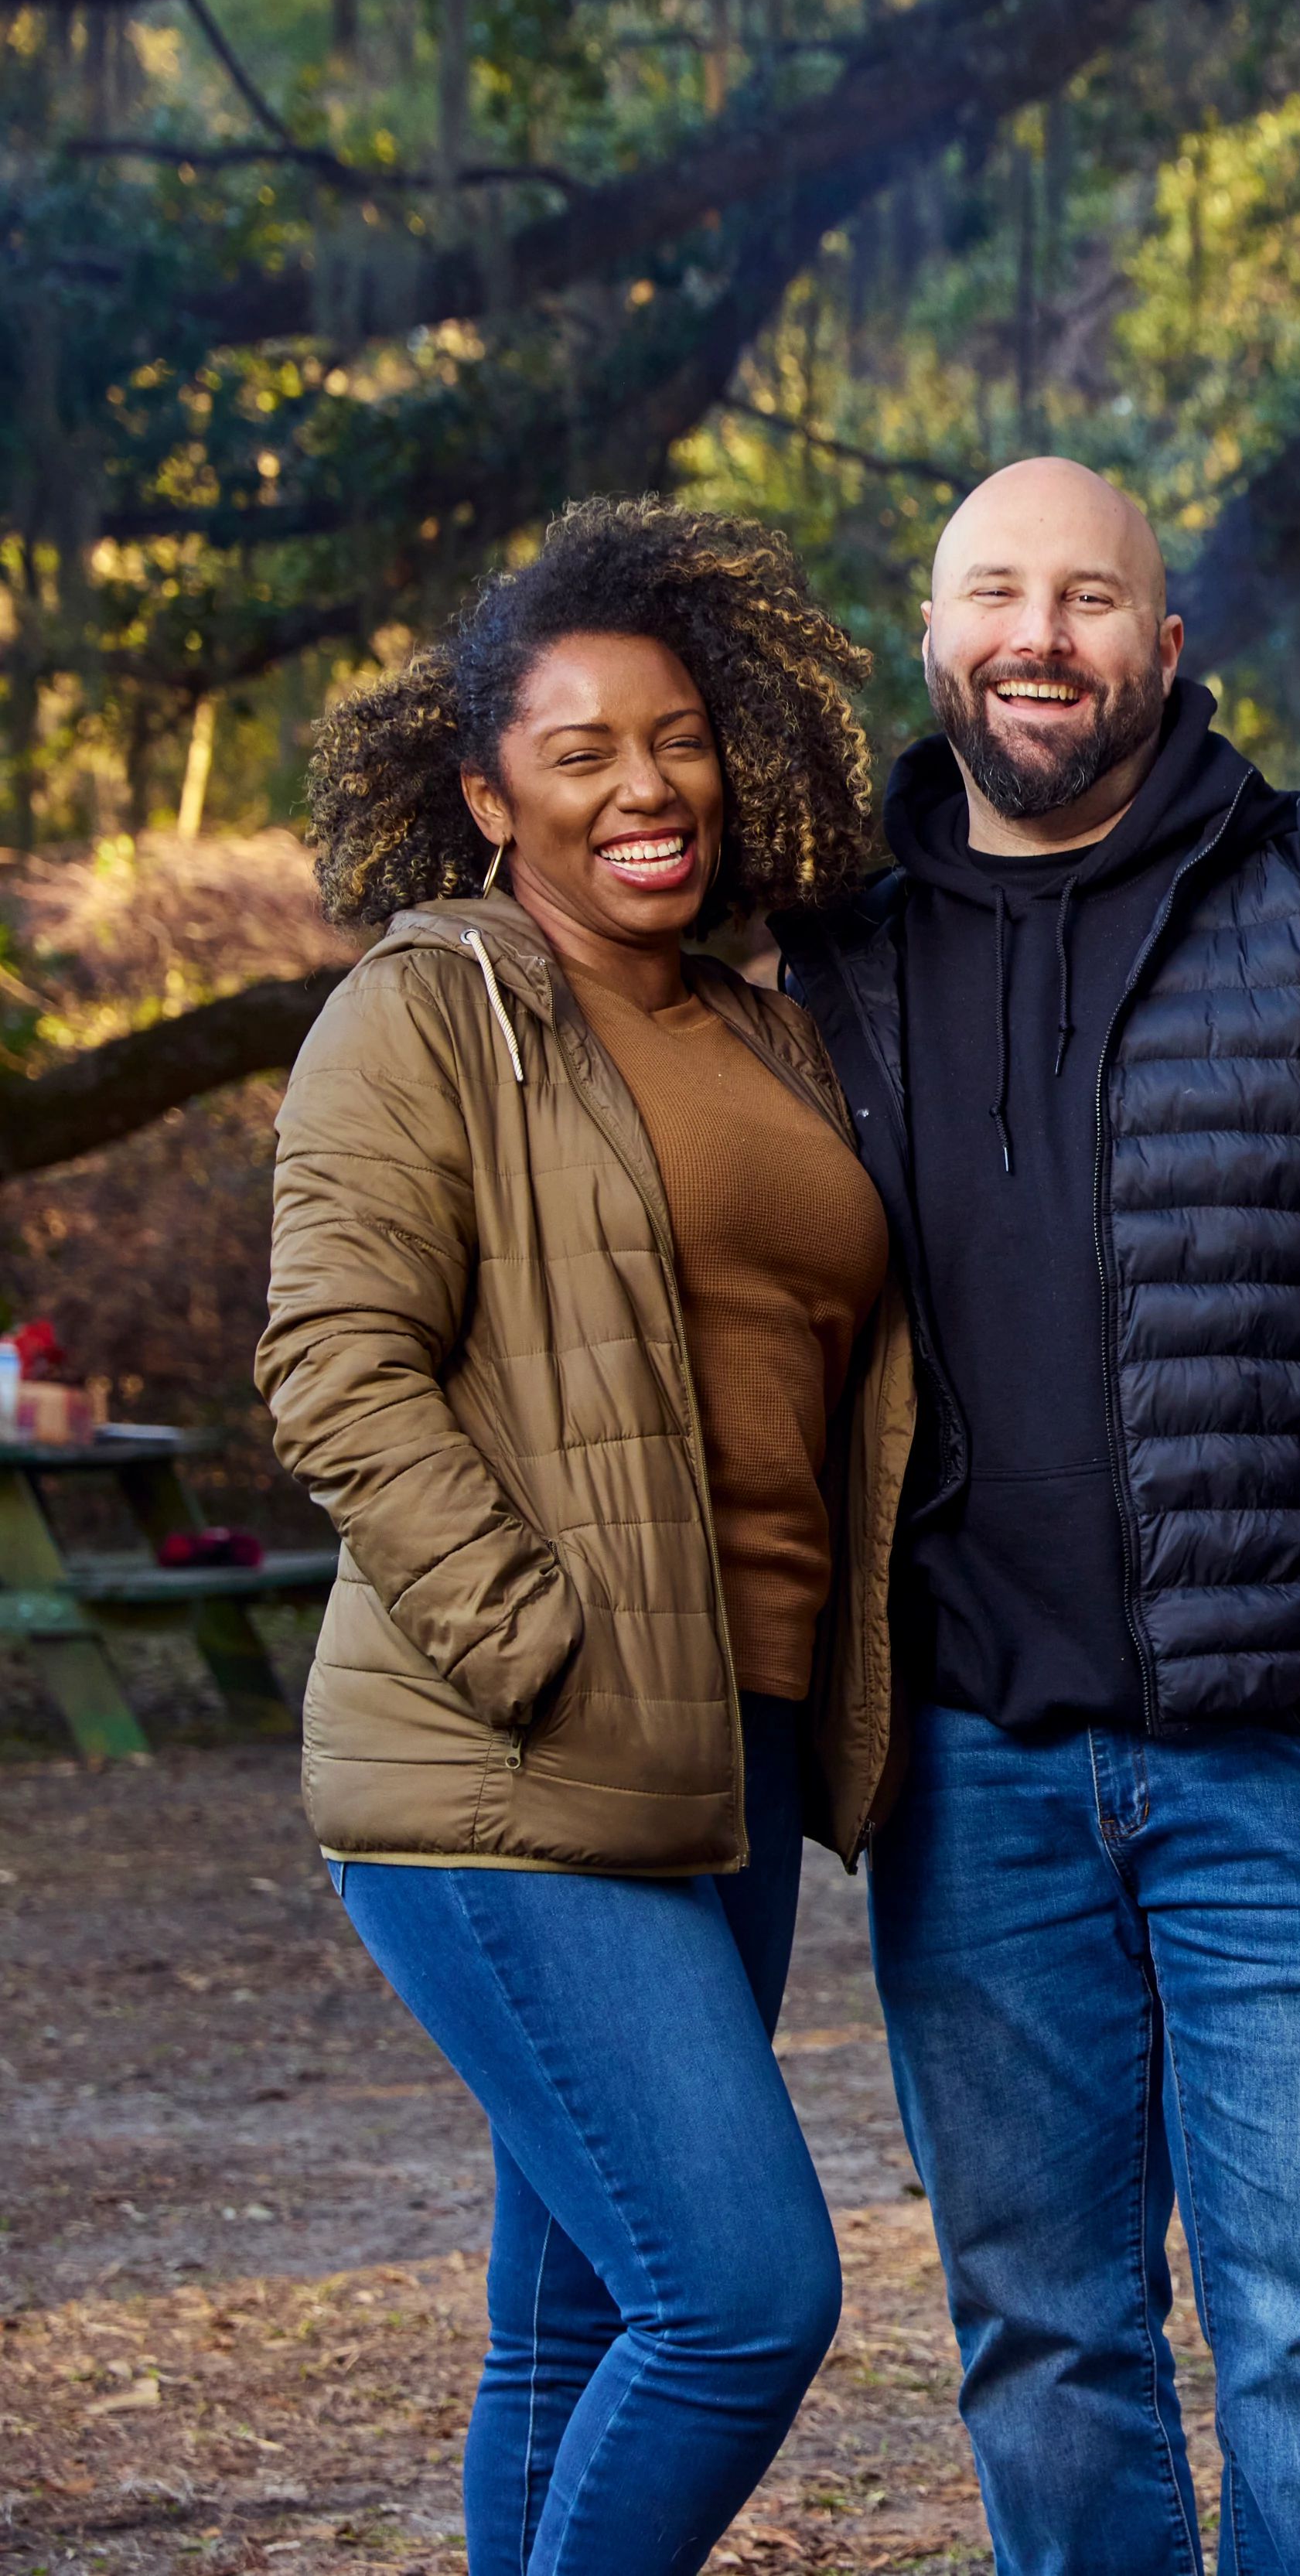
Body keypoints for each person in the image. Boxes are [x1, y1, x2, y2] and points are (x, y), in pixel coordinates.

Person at [777, 459, 1300, 2574]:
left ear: (1167, 642)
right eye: (994, 596)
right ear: (933, 635)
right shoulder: (827, 954)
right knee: (1043, 2337)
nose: (1040, 637)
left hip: (1294, 1777)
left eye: (1090, 597)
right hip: (967, 1772)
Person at [260, 499, 909, 2576]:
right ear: (484, 793)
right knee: (740, 2298)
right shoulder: (429, 1010)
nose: (648, 787)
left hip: (732, 1740)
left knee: (568, 2320)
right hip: (512, 1751)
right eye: (579, 751)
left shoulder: (766, 1018)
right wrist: (535, 1637)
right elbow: (336, 1367)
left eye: (682, 736)